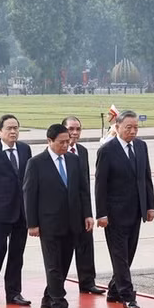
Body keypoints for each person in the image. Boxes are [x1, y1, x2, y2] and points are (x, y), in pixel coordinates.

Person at [24, 124, 94, 308]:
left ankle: (48, 298)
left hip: (73, 221)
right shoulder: (36, 163)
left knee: (64, 263)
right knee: (53, 264)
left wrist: (87, 214)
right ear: (49, 141)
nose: (66, 145)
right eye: (61, 142)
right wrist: (32, 223)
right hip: (49, 223)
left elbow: (83, 190)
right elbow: (30, 195)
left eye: (67, 141)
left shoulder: (74, 160)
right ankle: (59, 303)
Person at [94, 110, 154, 308]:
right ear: (117, 127)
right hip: (114, 214)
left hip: (136, 210)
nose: (132, 131)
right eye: (128, 127)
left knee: (128, 254)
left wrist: (150, 205)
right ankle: (127, 295)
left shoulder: (141, 146)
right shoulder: (107, 150)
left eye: (135, 127)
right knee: (119, 255)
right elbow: (100, 185)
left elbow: (146, 177)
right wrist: (101, 213)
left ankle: (114, 290)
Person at [0, 114, 33, 307]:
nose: (13, 132)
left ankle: (14, 292)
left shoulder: (25, 149)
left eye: (16, 128)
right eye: (9, 128)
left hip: (22, 212)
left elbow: (29, 181)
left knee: (17, 253)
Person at [63, 116, 103, 294]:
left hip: (81, 209)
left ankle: (87, 282)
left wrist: (88, 213)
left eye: (78, 129)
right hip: (62, 211)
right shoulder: (56, 151)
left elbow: (85, 185)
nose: (75, 133)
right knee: (62, 252)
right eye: (71, 129)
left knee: (86, 245)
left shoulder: (82, 151)